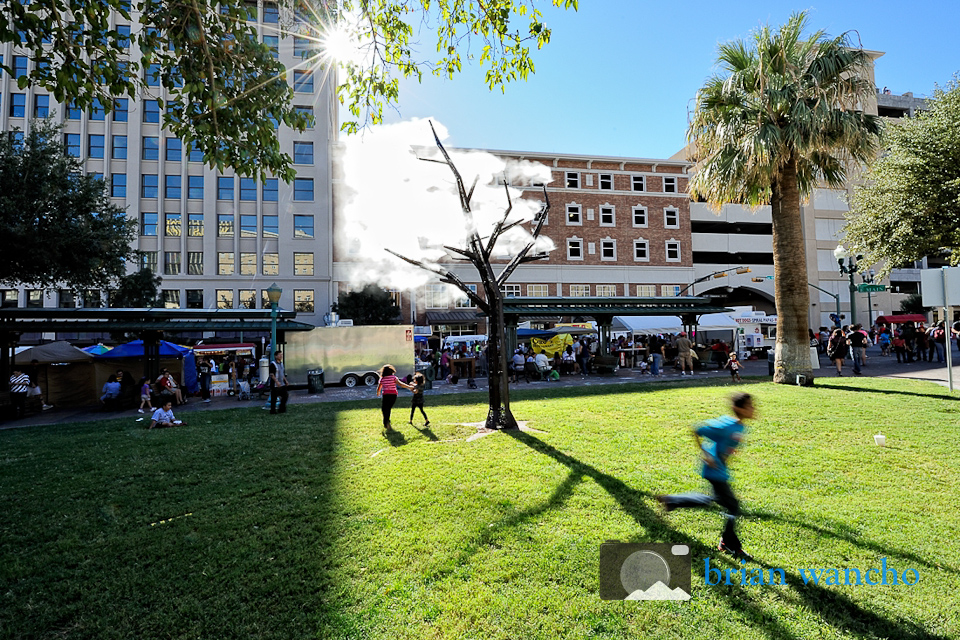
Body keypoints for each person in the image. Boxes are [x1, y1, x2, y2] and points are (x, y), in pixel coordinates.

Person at [658, 392, 756, 560]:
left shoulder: (739, 426)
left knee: (716, 500)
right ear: (737, 409)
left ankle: (673, 501)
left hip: (720, 470)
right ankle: (729, 544)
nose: (753, 409)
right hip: (714, 470)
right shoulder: (727, 425)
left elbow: (728, 446)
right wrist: (706, 455)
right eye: (749, 406)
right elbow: (697, 429)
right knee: (733, 506)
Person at [377, 364, 412, 430]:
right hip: (393, 395)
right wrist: (409, 387)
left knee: (385, 408)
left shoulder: (382, 379)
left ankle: (386, 421)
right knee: (388, 408)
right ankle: (387, 421)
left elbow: (379, 386)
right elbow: (401, 384)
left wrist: (378, 392)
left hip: (386, 395)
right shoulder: (394, 378)